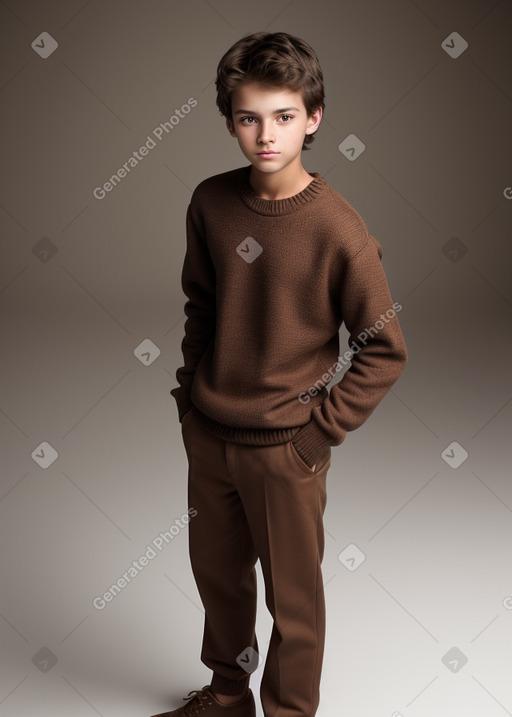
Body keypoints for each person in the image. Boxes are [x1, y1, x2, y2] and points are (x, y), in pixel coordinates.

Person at [152, 30, 407, 717]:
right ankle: (227, 695)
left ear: (314, 117)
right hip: (210, 436)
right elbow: (200, 308)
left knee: (293, 600)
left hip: (287, 448)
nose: (266, 134)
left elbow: (385, 349)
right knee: (220, 581)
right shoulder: (209, 202)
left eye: (285, 116)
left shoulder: (337, 228)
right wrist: (188, 402)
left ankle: (289, 711)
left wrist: (315, 437)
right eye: (248, 118)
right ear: (231, 120)